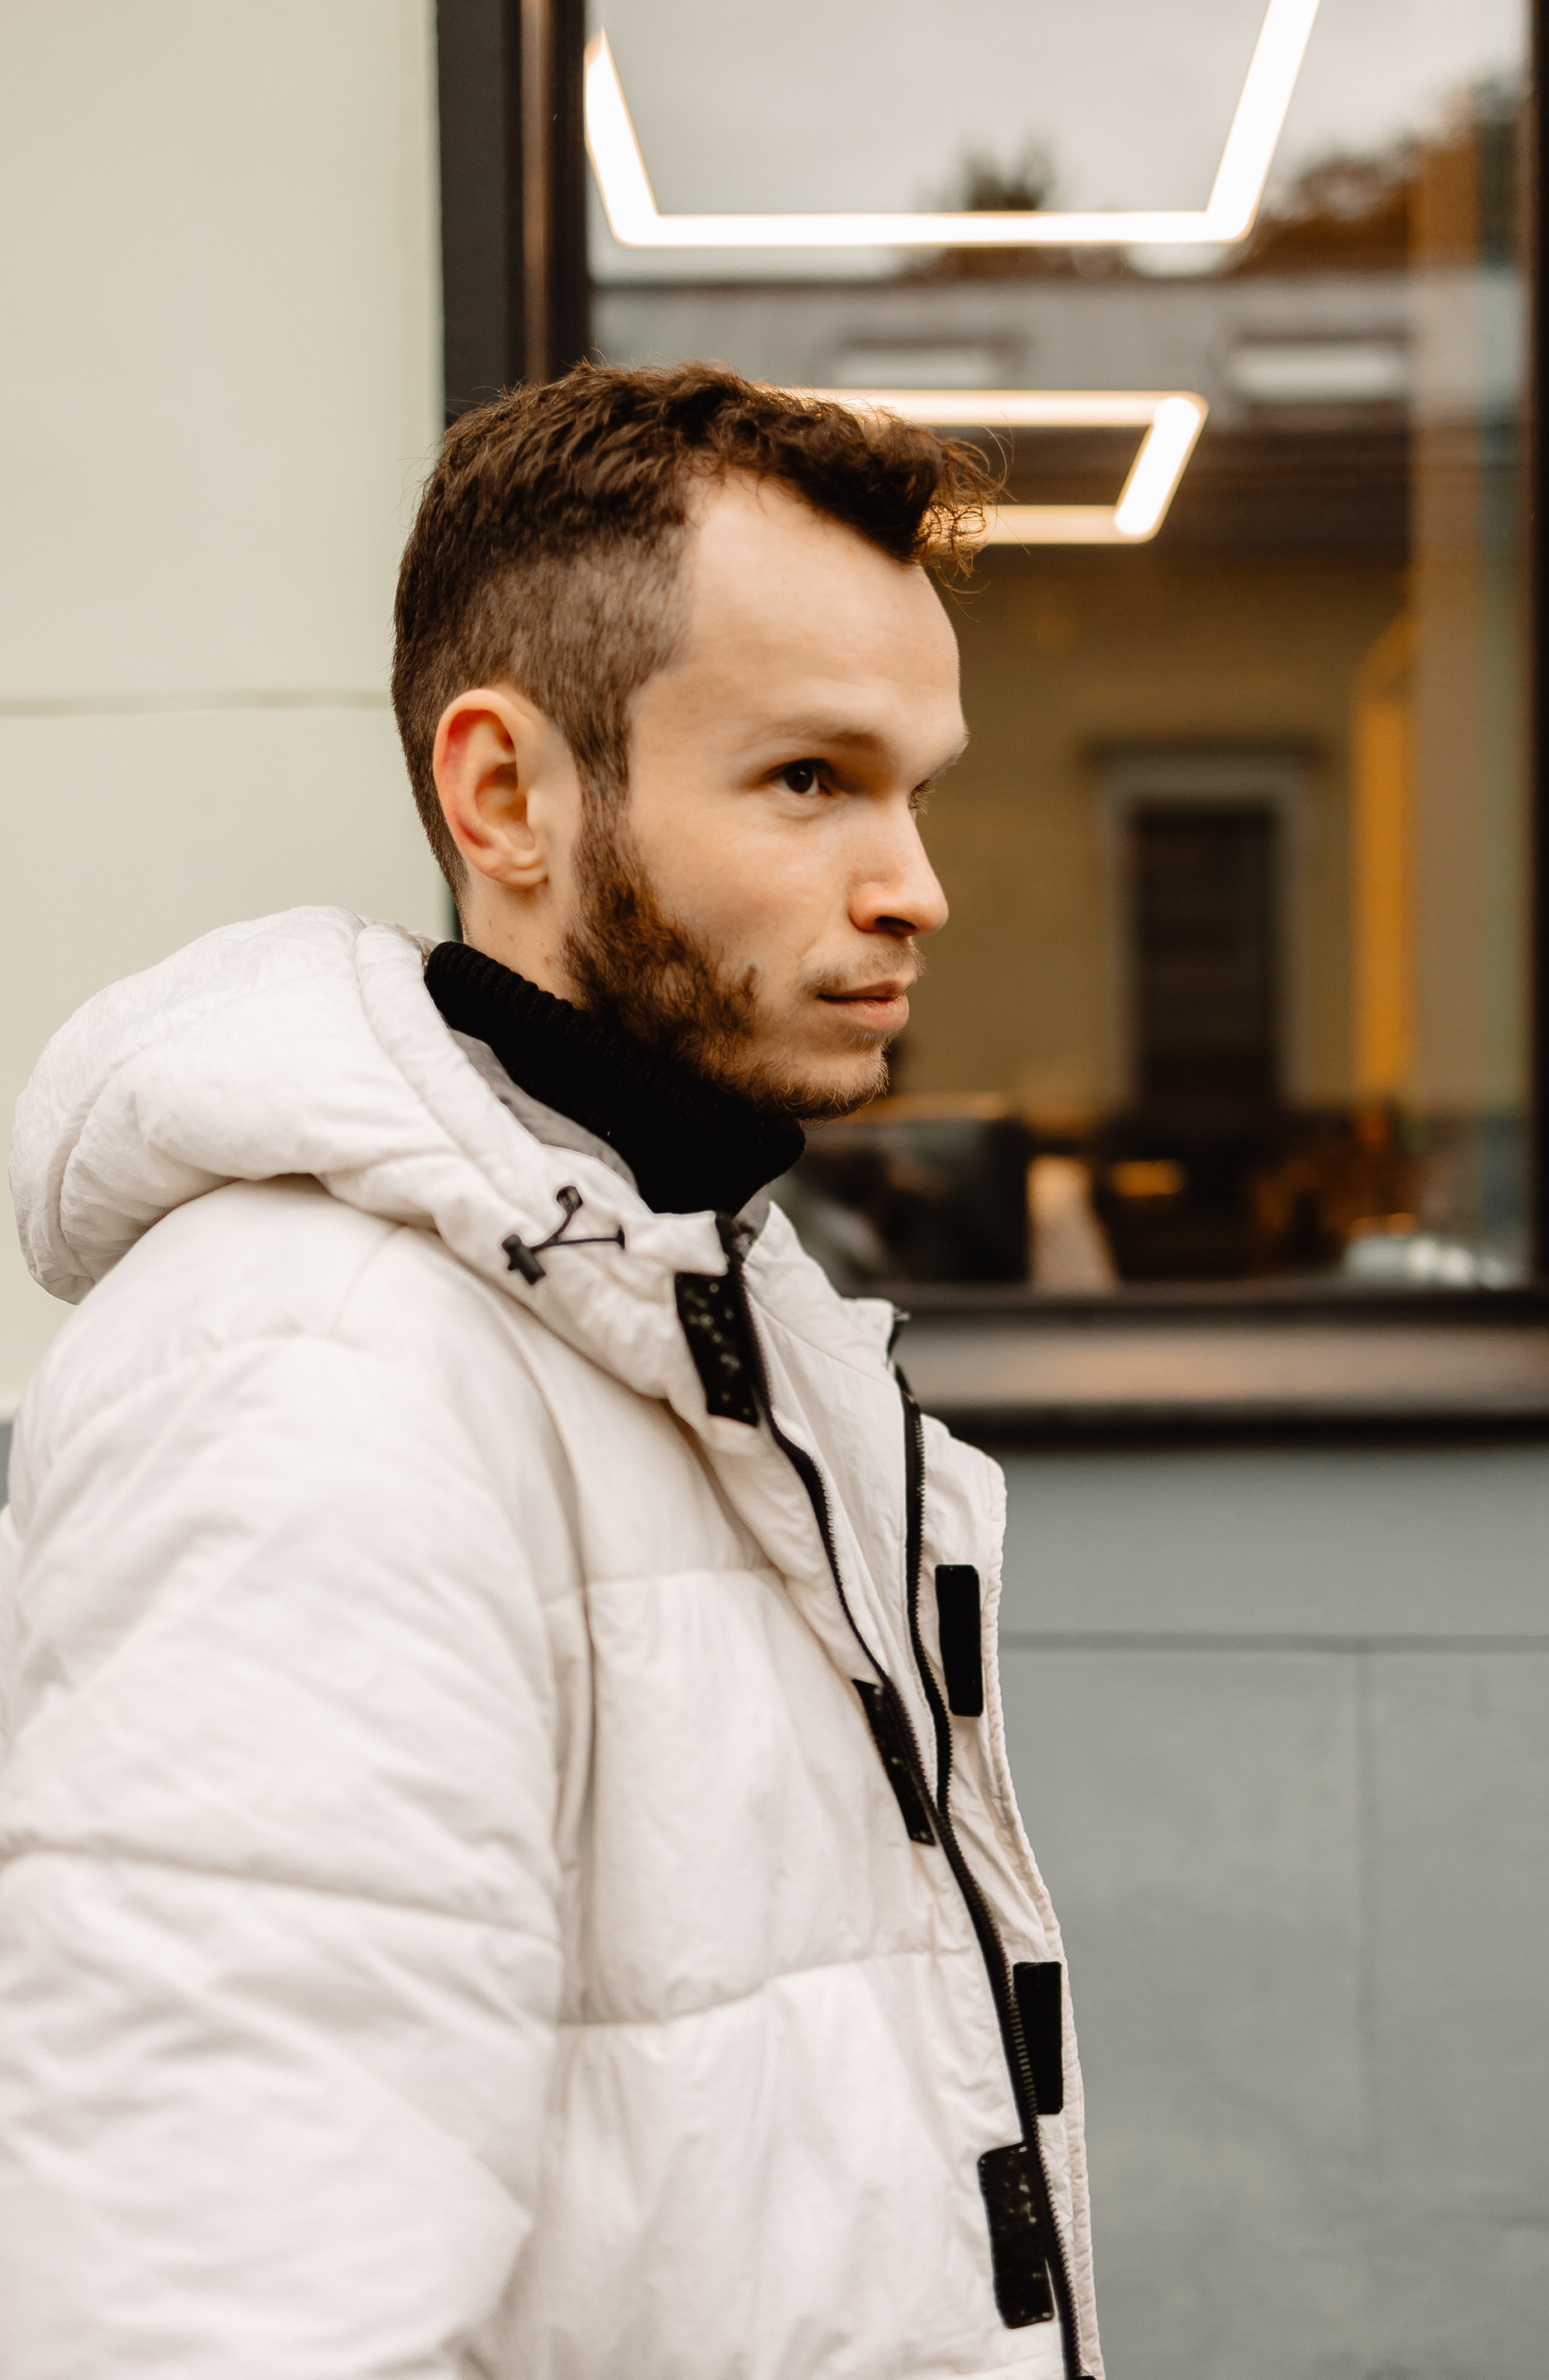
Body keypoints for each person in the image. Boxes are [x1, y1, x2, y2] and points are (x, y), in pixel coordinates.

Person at [0, 364, 1103, 2380]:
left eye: (917, 790)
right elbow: (221, 2311)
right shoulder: (320, 1381)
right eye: (809, 779)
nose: (913, 885)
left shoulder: (690, 1307)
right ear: (505, 796)